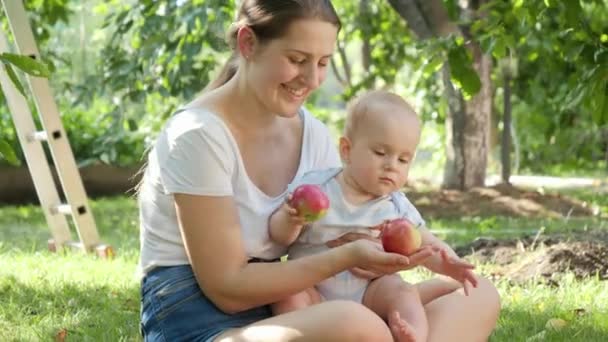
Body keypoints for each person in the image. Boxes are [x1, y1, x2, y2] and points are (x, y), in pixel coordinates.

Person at [137, 1, 501, 341]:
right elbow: (227, 290)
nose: (311, 79)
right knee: (356, 325)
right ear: (248, 43)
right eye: (297, 59)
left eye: (323, 62)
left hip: (288, 307)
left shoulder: (311, 133)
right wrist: (344, 257)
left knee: (477, 292)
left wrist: (366, 256)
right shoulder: (197, 136)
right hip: (202, 320)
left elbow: (326, 240)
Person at [268, 90, 478, 342]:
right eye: (380, 153)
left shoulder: (397, 207)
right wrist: (290, 220)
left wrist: (451, 264)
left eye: (403, 159)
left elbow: (427, 246)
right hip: (315, 293)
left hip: (371, 291)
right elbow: (278, 235)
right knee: (287, 293)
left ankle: (413, 334)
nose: (392, 165)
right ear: (346, 150)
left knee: (402, 291)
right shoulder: (316, 189)